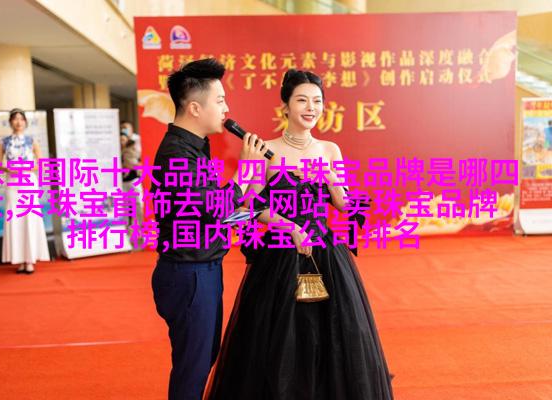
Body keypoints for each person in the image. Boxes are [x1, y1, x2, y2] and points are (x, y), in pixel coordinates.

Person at [206, 70, 394, 399]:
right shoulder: (263, 150)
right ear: (286, 106)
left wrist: (337, 185)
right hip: (279, 259)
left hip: (326, 256)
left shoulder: (329, 150)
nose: (311, 108)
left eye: (317, 101)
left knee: (336, 339)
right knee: (279, 341)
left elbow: (343, 203)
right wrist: (289, 226)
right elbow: (244, 208)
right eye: (302, 100)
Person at [150, 58, 268, 400]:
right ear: (194, 107)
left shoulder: (194, 149)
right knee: (193, 367)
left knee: (201, 360)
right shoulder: (176, 154)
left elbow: (209, 216)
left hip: (200, 270)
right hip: (189, 274)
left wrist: (254, 209)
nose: (227, 109)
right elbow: (215, 207)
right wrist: (245, 172)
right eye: (220, 101)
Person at [0, 108, 50, 274]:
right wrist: (9, 169)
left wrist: (26, 168)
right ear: (10, 122)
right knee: (15, 219)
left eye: (21, 119)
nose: (18, 122)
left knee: (29, 218)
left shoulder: (32, 141)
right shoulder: (3, 142)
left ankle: (30, 259)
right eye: (15, 119)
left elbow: (41, 163)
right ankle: (19, 259)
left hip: (28, 182)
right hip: (13, 183)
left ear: (25, 122)